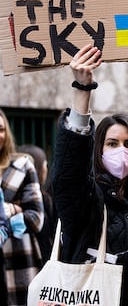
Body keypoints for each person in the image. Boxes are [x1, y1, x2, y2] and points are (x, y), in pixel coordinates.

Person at [51, 44, 128, 306]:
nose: (122, 152)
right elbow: (69, 175)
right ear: (98, 150)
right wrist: (82, 91)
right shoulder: (89, 200)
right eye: (112, 144)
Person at [0, 109, 44, 306]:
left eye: (0, 129)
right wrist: (15, 208)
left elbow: (36, 218)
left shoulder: (22, 165)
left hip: (17, 261)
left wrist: (7, 212)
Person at [17, 144, 57, 265]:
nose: (46, 169)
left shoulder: (10, 198)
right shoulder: (43, 200)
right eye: (45, 165)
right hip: (38, 265)